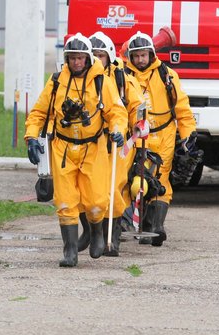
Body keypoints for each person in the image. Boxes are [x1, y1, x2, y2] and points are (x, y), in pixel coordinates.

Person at [25, 33, 128, 267]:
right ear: (67, 59)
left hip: (93, 148)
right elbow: (39, 113)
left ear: (88, 58)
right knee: (64, 200)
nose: (77, 63)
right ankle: (70, 251)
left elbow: (116, 112)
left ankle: (96, 233)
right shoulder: (57, 81)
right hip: (63, 148)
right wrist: (31, 137)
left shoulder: (102, 80)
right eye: (72, 58)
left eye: (81, 58)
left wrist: (118, 130)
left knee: (96, 201)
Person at [123, 29, 197, 247]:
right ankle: (127, 222)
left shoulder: (167, 75)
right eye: (135, 56)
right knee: (130, 179)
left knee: (160, 181)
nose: (140, 60)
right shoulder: (124, 75)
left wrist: (188, 135)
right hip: (134, 136)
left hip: (163, 136)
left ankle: (155, 226)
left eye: (143, 55)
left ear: (151, 54)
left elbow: (182, 109)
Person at [86, 31, 145, 257]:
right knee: (92, 191)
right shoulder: (82, 79)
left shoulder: (123, 79)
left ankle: (112, 237)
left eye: (99, 55)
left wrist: (132, 130)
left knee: (113, 189)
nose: (95, 60)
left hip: (120, 145)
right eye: (92, 55)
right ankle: (93, 234)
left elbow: (137, 109)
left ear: (109, 56)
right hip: (91, 143)